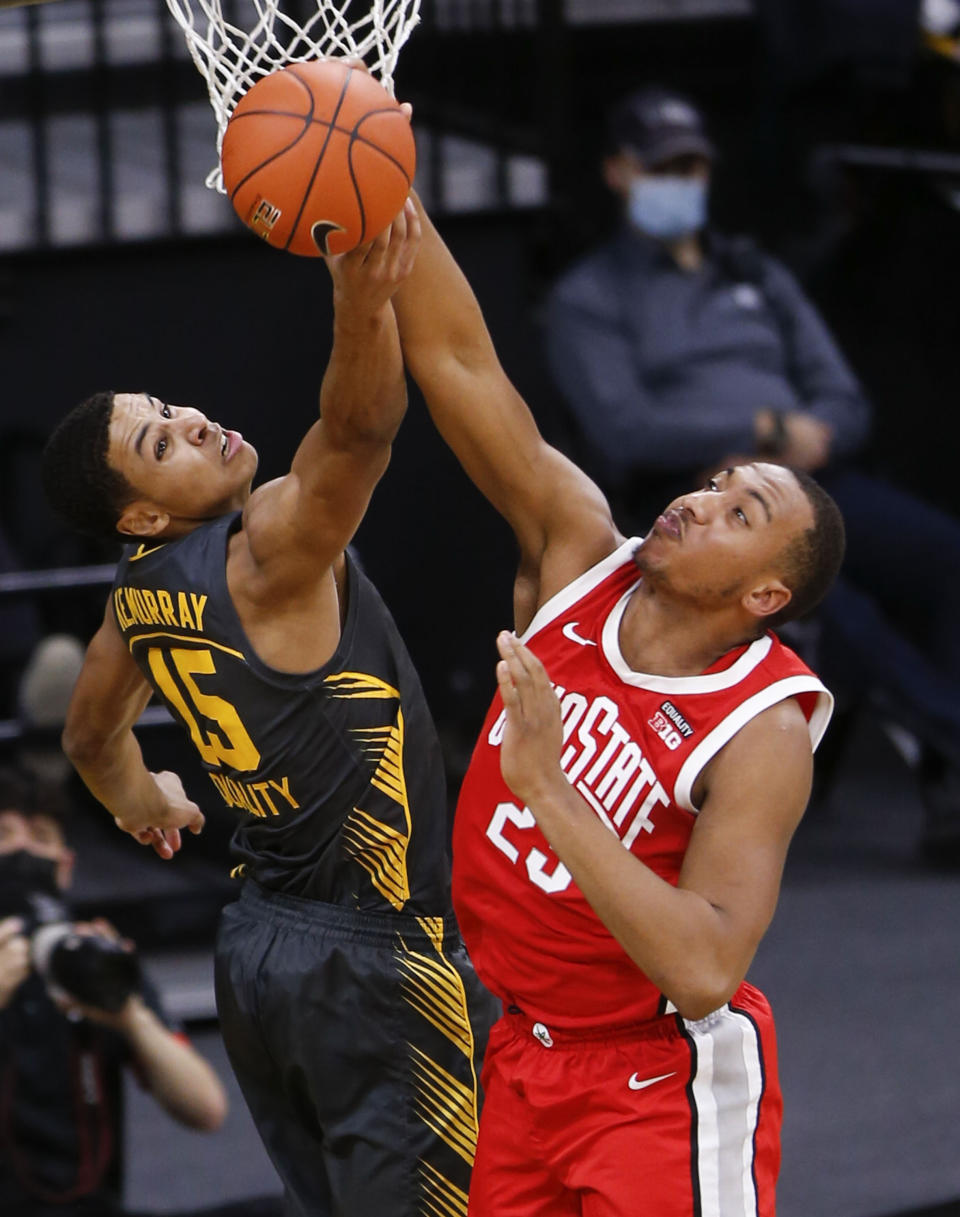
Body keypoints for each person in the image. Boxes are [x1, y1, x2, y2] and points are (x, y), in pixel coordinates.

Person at [40, 203, 497, 1216]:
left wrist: (143, 802)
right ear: (143, 513)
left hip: (258, 955)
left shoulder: (138, 594)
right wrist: (357, 289)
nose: (196, 419)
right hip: (376, 955)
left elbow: (86, 733)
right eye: (163, 441)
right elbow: (363, 427)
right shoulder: (271, 545)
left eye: (169, 406)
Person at [393, 194, 845, 1215]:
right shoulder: (581, 552)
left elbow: (704, 968)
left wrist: (551, 790)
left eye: (742, 511)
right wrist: (388, 196)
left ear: (764, 595)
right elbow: (464, 368)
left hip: (659, 1079)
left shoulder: (762, 726)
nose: (700, 496)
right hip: (521, 1050)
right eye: (718, 478)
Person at [542, 85, 960, 860]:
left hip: (808, 488)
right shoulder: (589, 297)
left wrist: (803, 443)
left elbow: (846, 400)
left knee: (943, 556)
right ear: (618, 172)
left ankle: (946, 784)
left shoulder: (755, 273)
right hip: (696, 498)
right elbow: (623, 427)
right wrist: (761, 432)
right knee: (840, 611)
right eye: (663, 165)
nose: (681, 179)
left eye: (692, 164)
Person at [0, 765, 228, 1217]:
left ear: (65, 866)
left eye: (41, 837)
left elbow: (207, 1109)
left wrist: (128, 1013)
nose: (24, 849)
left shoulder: (86, 958)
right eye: (4, 835)